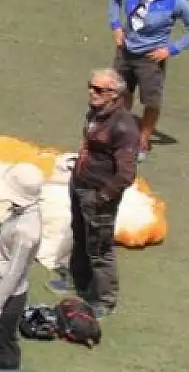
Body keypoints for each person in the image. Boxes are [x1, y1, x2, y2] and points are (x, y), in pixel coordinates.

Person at [53, 68, 138, 316]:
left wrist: (102, 198)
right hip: (80, 183)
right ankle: (76, 280)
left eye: (99, 89)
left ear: (115, 94)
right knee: (79, 235)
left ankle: (104, 300)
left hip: (98, 194)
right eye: (91, 86)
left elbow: (126, 174)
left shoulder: (124, 127)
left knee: (100, 248)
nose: (92, 92)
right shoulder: (97, 113)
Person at [107, 0, 189, 158]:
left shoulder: (175, 0)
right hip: (125, 51)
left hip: (150, 59)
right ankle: (121, 134)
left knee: (151, 102)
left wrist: (171, 49)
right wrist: (116, 25)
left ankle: (142, 142)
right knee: (120, 93)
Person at [0, 164, 44, 370]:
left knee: (3, 343)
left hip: (6, 295)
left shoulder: (26, 230)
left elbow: (15, 271)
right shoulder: (22, 213)